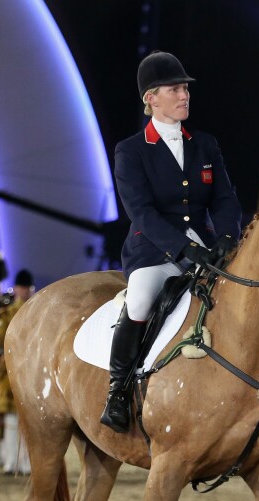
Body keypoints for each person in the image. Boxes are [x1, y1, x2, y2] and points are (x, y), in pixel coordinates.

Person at [100, 50, 242, 432]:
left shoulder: (205, 144)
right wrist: (182, 248)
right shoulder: (130, 151)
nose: (184, 95)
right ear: (151, 98)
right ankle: (117, 390)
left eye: (185, 89)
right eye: (175, 89)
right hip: (153, 251)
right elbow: (141, 212)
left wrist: (228, 236)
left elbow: (225, 197)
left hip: (205, 245)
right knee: (142, 297)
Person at [0, 268, 35, 474]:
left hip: (29, 369)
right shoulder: (9, 313)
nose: (24, 291)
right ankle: (10, 461)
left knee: (27, 421)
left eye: (26, 287)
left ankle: (23, 463)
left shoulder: (32, 312)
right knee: (11, 420)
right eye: (22, 287)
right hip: (11, 369)